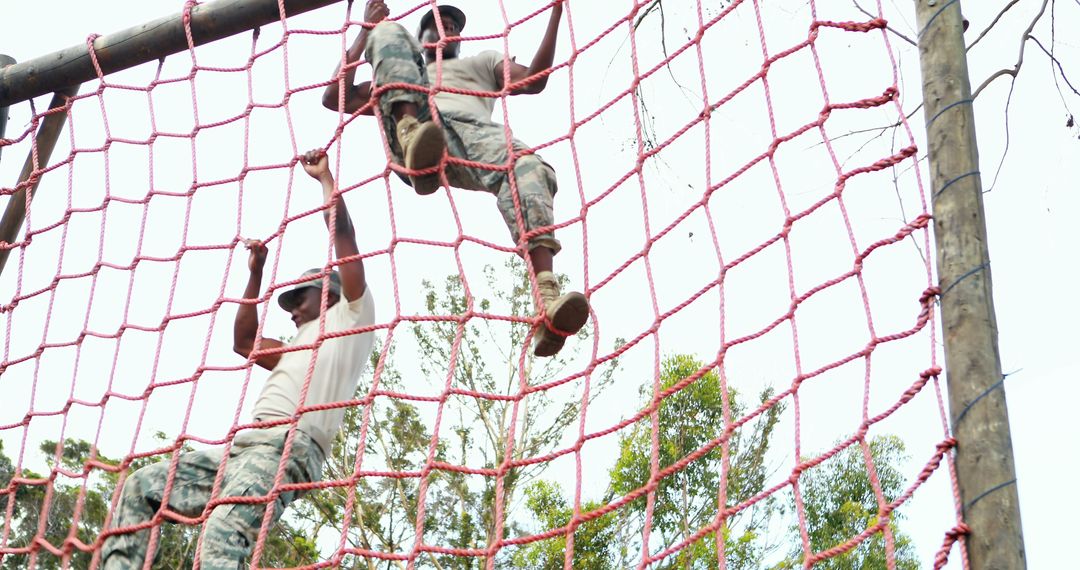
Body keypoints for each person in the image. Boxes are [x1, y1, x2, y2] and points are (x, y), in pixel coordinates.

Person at [99, 150, 376, 569]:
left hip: (289, 445)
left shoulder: (350, 317)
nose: (291, 311)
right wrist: (255, 274)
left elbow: (345, 238)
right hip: (244, 448)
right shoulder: (295, 345)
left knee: (222, 537)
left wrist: (325, 179)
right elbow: (244, 343)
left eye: (298, 300)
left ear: (328, 292)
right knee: (142, 487)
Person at [321, 1, 588, 357]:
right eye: (436, 23)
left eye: (453, 25)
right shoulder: (402, 68)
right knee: (386, 31)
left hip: (473, 137)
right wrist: (366, 32)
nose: (446, 28)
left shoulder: (481, 63)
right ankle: (412, 136)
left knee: (530, 167)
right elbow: (332, 98)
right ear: (421, 36)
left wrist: (555, 13)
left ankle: (547, 301)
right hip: (416, 119)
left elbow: (534, 80)